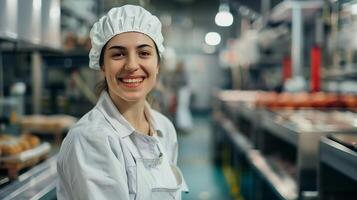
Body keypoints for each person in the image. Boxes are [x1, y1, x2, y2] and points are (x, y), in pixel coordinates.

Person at [56, 5, 189, 200]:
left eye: (144, 53)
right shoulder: (90, 139)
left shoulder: (164, 128)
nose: (132, 65)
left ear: (158, 64)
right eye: (118, 54)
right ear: (102, 64)